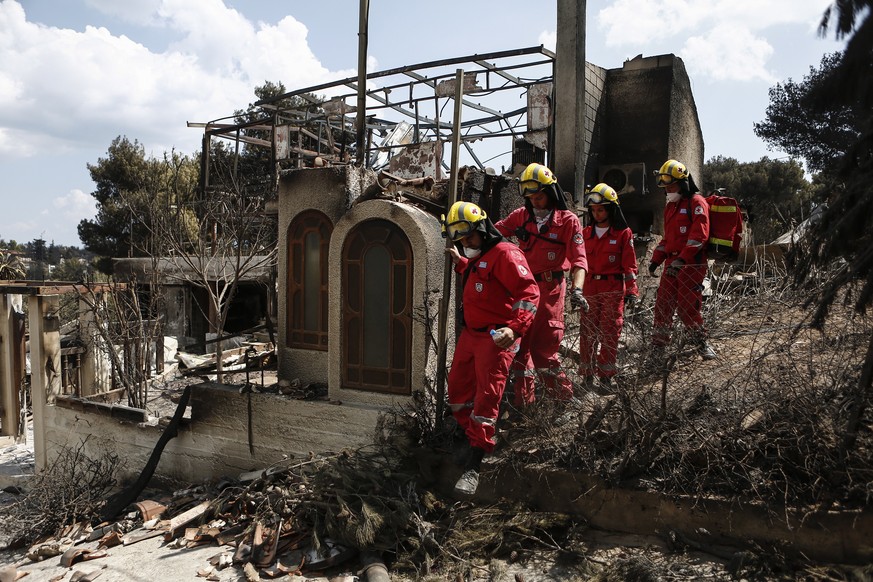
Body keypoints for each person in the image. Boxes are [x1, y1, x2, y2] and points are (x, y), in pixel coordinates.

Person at [442, 200, 540, 496]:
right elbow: (480, 280)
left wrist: (515, 328)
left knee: (487, 400)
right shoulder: (478, 256)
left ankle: (474, 464)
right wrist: (461, 261)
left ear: (483, 229)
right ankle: (469, 437)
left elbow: (529, 292)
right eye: (461, 238)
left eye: (469, 236)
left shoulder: (507, 254)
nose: (466, 242)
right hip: (471, 336)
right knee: (458, 392)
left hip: (496, 337)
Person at [494, 163, 588, 408]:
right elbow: (492, 235)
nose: (535, 201)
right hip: (523, 290)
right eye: (531, 197)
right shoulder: (520, 217)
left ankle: (564, 401)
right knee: (519, 349)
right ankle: (524, 406)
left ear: (551, 192)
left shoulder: (568, 221)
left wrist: (577, 290)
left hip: (551, 289)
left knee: (543, 352)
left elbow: (579, 259)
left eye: (539, 196)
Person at [648, 159, 717, 361]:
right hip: (672, 263)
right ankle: (658, 348)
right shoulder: (671, 207)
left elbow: (699, 237)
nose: (668, 190)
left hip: (691, 264)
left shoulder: (697, 203)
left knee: (687, 306)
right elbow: (667, 240)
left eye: (671, 185)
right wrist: (656, 260)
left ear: (683, 183)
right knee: (663, 305)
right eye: (666, 187)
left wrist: (682, 260)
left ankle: (701, 344)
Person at [578, 183, 639, 391]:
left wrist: (632, 291)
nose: (596, 213)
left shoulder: (623, 234)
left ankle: (606, 377)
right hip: (589, 288)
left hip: (612, 289)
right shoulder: (585, 233)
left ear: (611, 209)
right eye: (593, 210)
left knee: (609, 332)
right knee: (587, 332)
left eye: (601, 209)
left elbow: (630, 266)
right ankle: (586, 376)